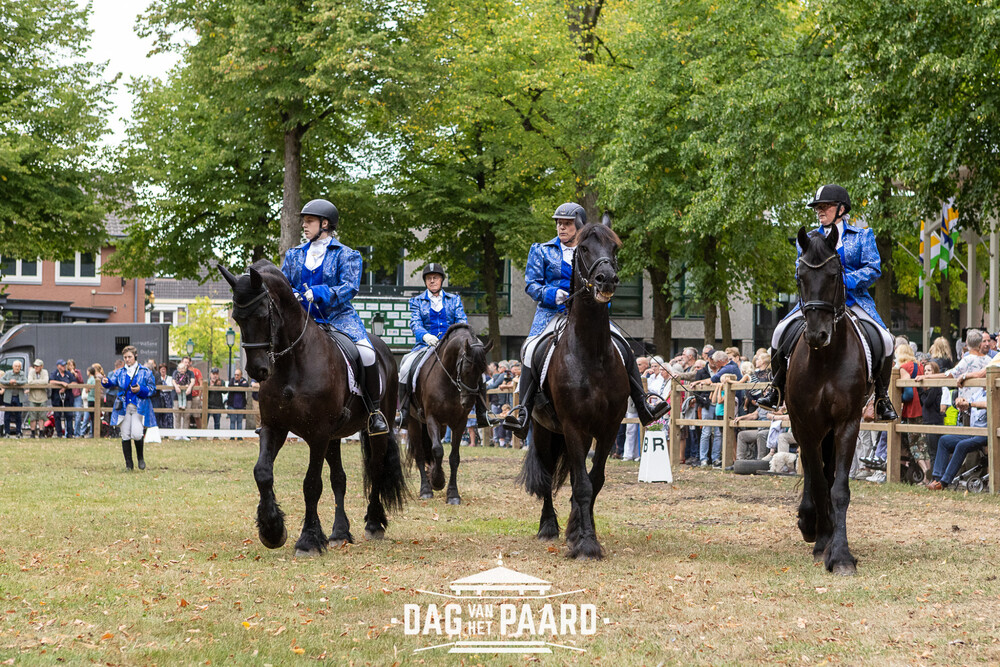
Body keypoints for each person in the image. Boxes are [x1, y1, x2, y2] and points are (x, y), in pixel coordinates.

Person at [502, 202, 668, 437]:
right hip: (552, 313)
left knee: (624, 348)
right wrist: (552, 294)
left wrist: (602, 296)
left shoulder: (594, 249)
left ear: (579, 226)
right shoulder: (541, 250)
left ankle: (644, 406)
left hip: (589, 316)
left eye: (567, 223)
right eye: (559, 223)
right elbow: (531, 284)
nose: (561, 227)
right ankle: (523, 413)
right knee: (530, 350)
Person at [759, 184, 898, 421]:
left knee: (885, 339)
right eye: (818, 207)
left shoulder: (863, 236)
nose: (820, 211)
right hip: (818, 302)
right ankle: (776, 387)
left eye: (826, 206)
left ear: (841, 209)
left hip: (854, 300)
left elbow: (873, 268)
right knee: (779, 332)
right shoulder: (808, 239)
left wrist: (845, 281)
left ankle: (882, 397)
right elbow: (799, 269)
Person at [280, 198, 387, 435]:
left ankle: (374, 412)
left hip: (338, 318)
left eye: (309, 221)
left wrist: (319, 293)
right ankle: (273, 412)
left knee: (368, 353)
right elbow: (284, 283)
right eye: (304, 221)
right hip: (303, 320)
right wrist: (293, 293)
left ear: (325, 224)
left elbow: (350, 287)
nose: (304, 226)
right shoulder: (294, 255)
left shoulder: (347, 255)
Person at [396, 263, 494, 428]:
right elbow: (415, 323)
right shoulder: (416, 301)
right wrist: (425, 336)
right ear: (425, 281)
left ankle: (482, 413)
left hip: (452, 348)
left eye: (435, 278)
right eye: (429, 278)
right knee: (405, 367)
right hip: (426, 346)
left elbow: (461, 321)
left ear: (441, 280)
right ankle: (404, 412)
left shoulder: (454, 299)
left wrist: (460, 339)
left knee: (479, 373)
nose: (432, 281)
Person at [99, 345, 156, 471]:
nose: (127, 359)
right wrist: (105, 381)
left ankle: (140, 458)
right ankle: (129, 464)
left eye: (129, 357)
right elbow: (112, 383)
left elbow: (152, 389)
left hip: (139, 407)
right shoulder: (120, 372)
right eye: (125, 357)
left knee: (137, 434)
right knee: (125, 435)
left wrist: (140, 389)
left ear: (135, 356)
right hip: (123, 407)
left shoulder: (145, 371)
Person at [927, 386, 987, 490]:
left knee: (961, 445)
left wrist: (970, 404)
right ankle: (937, 479)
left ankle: (944, 482)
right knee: (944, 440)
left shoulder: (996, 391)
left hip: (986, 434)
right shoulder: (979, 392)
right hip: (973, 431)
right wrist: (961, 402)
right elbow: (968, 403)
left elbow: (990, 404)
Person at [50, 359, 75, 437]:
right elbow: (51, 381)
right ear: (58, 366)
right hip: (57, 397)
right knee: (57, 415)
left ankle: (69, 434)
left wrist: (66, 387)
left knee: (69, 415)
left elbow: (74, 382)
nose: (64, 366)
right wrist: (61, 383)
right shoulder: (54, 373)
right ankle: (59, 434)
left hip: (68, 397)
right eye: (62, 365)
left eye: (64, 365)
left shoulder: (68, 374)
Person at [1, 361, 27, 437]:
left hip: (18, 397)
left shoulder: (22, 374)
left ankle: (18, 432)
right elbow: (1, 380)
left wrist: (17, 382)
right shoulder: (8, 373)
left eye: (18, 366)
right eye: (15, 366)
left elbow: (25, 381)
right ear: (13, 367)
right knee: (7, 415)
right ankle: (7, 432)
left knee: (18, 415)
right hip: (8, 397)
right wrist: (9, 382)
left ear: (20, 367)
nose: (17, 368)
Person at [26, 359, 50, 439]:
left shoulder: (45, 372)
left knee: (42, 416)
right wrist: (40, 382)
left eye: (37, 366)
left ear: (41, 366)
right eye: (35, 366)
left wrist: (35, 382)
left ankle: (41, 433)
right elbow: (29, 382)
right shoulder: (31, 372)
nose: (35, 367)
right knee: (32, 416)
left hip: (42, 397)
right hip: (32, 397)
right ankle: (32, 433)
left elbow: (45, 381)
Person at [227, 368, 249, 435]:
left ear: (241, 375)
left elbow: (246, 385)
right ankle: (232, 437)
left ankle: (239, 436)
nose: (236, 376)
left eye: (238, 375)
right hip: (232, 405)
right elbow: (230, 385)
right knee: (232, 421)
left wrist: (237, 385)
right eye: (235, 375)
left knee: (240, 422)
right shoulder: (232, 380)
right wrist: (240, 385)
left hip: (241, 405)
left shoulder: (244, 380)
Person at [154, 364, 174, 428]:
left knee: (168, 412)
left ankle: (168, 427)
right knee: (160, 412)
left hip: (167, 396)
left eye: (164, 369)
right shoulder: (157, 377)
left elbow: (170, 387)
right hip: (160, 395)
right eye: (161, 369)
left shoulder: (170, 378)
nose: (163, 371)